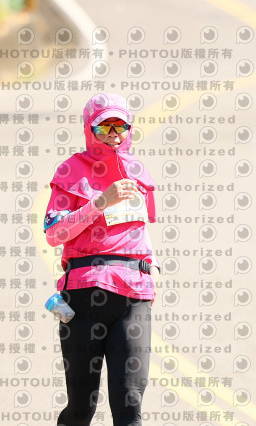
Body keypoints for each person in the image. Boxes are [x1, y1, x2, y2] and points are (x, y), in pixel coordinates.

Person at [44, 93, 161, 426]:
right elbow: (53, 233)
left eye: (120, 126)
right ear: (89, 129)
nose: (113, 134)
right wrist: (98, 203)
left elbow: (139, 230)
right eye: (104, 126)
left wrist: (152, 270)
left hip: (134, 296)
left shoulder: (137, 171)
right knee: (81, 408)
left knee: (129, 407)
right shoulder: (71, 170)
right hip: (84, 296)